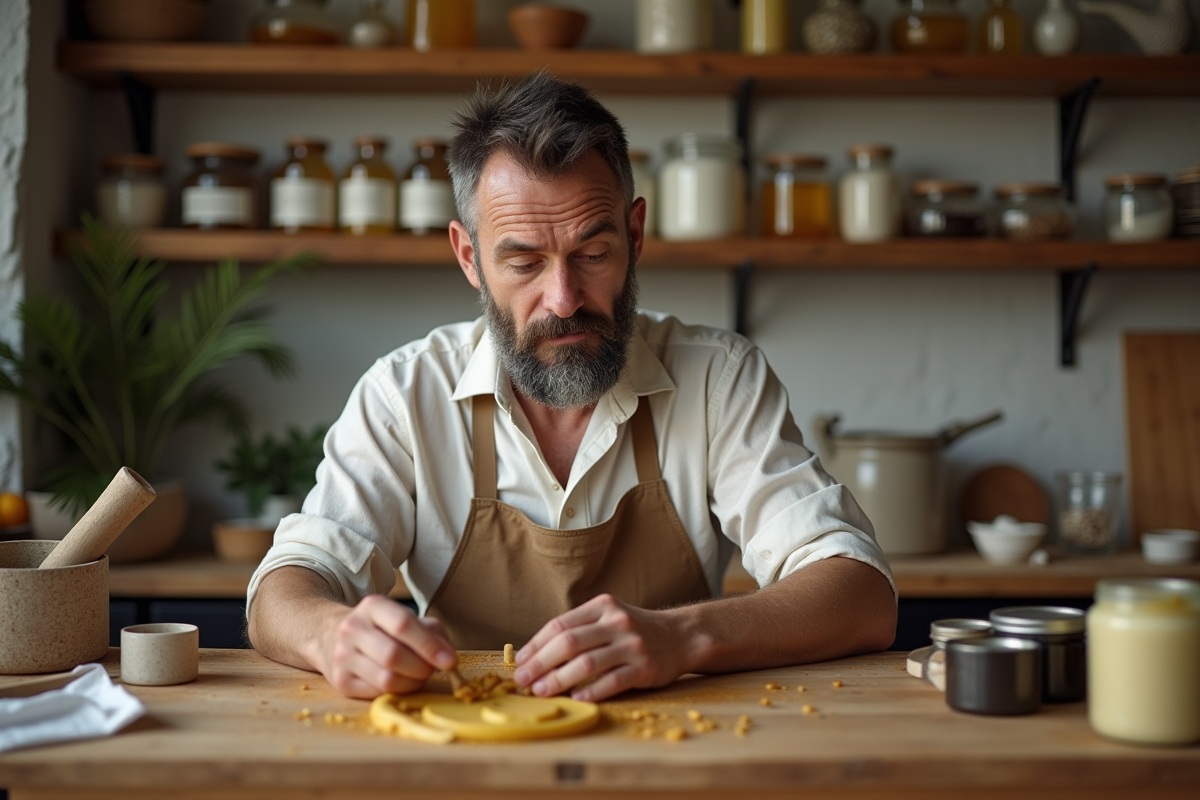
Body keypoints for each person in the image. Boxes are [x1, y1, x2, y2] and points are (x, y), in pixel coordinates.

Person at [247, 72, 896, 703]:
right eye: (524, 261)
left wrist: (683, 636)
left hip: (674, 744)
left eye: (592, 255)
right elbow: (283, 590)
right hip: (463, 744)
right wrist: (332, 634)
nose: (563, 299)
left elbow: (861, 592)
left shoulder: (717, 380)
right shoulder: (405, 394)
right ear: (470, 257)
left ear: (634, 236)